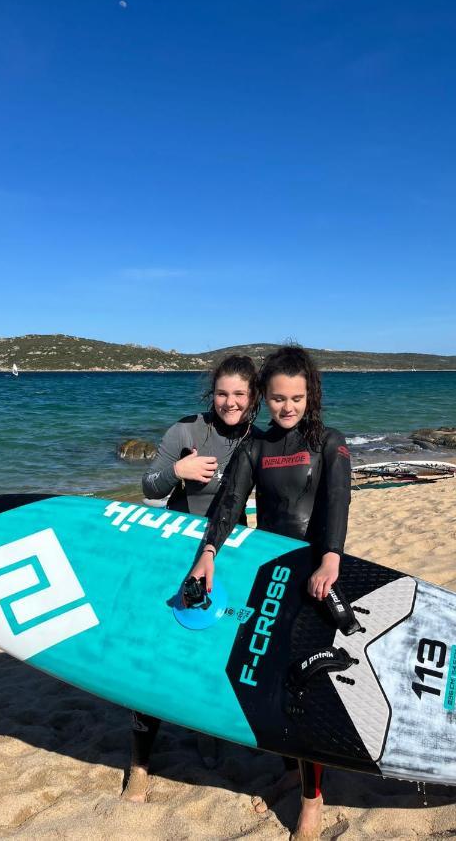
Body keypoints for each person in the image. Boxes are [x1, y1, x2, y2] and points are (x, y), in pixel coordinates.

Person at [188, 344, 351, 841]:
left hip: (315, 573)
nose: (287, 408)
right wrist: (208, 554)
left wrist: (330, 558)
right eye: (278, 399)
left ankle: (311, 801)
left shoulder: (329, 442)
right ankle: (289, 770)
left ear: (310, 395)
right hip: (270, 575)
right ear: (265, 398)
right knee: (269, 683)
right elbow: (229, 503)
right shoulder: (254, 448)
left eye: (296, 398)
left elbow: (336, 502)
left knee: (301, 689)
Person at [122, 354, 260, 803]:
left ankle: (205, 729)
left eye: (239, 394)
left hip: (230, 553)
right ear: (211, 394)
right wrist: (177, 472)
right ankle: (140, 761)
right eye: (222, 393)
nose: (230, 402)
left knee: (210, 650)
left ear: (253, 396)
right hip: (181, 550)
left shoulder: (257, 441)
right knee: (158, 650)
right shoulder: (185, 432)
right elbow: (149, 485)